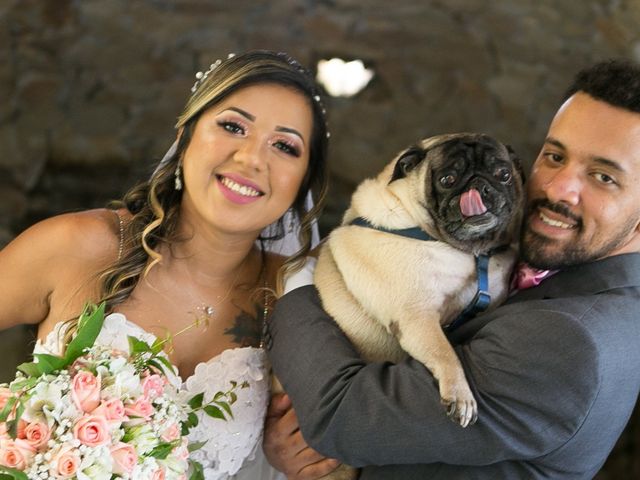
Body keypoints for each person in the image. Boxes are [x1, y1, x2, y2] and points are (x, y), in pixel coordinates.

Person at [264, 59, 640, 479]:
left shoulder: (570, 340)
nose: (557, 188)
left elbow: (338, 415)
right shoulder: (571, 282)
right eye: (554, 156)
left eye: (603, 177)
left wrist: (293, 282)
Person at [0, 50, 337, 479]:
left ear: (303, 182)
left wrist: (282, 458)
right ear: (186, 136)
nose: (252, 158)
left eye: (285, 146)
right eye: (233, 126)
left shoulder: (295, 302)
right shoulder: (79, 246)